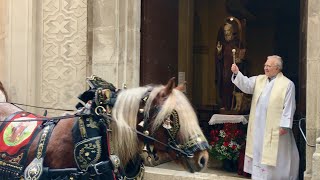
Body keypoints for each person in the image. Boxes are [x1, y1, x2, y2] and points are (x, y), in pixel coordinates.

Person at [230, 55, 299, 180]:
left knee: (276, 155)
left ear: (277, 68)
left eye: (269, 66)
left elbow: (289, 106)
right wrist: (236, 73)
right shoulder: (259, 80)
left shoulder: (287, 84)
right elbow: (246, 85)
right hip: (259, 126)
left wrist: (284, 125)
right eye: (265, 65)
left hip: (276, 129)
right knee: (259, 152)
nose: (266, 68)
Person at [216, 20, 246, 110]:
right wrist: (219, 51)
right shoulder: (222, 43)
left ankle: (234, 106)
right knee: (224, 85)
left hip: (234, 68)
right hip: (225, 69)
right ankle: (225, 105)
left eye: (228, 31)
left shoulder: (237, 42)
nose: (226, 33)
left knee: (234, 86)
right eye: (224, 31)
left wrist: (239, 58)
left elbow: (242, 55)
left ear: (231, 31)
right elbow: (219, 58)